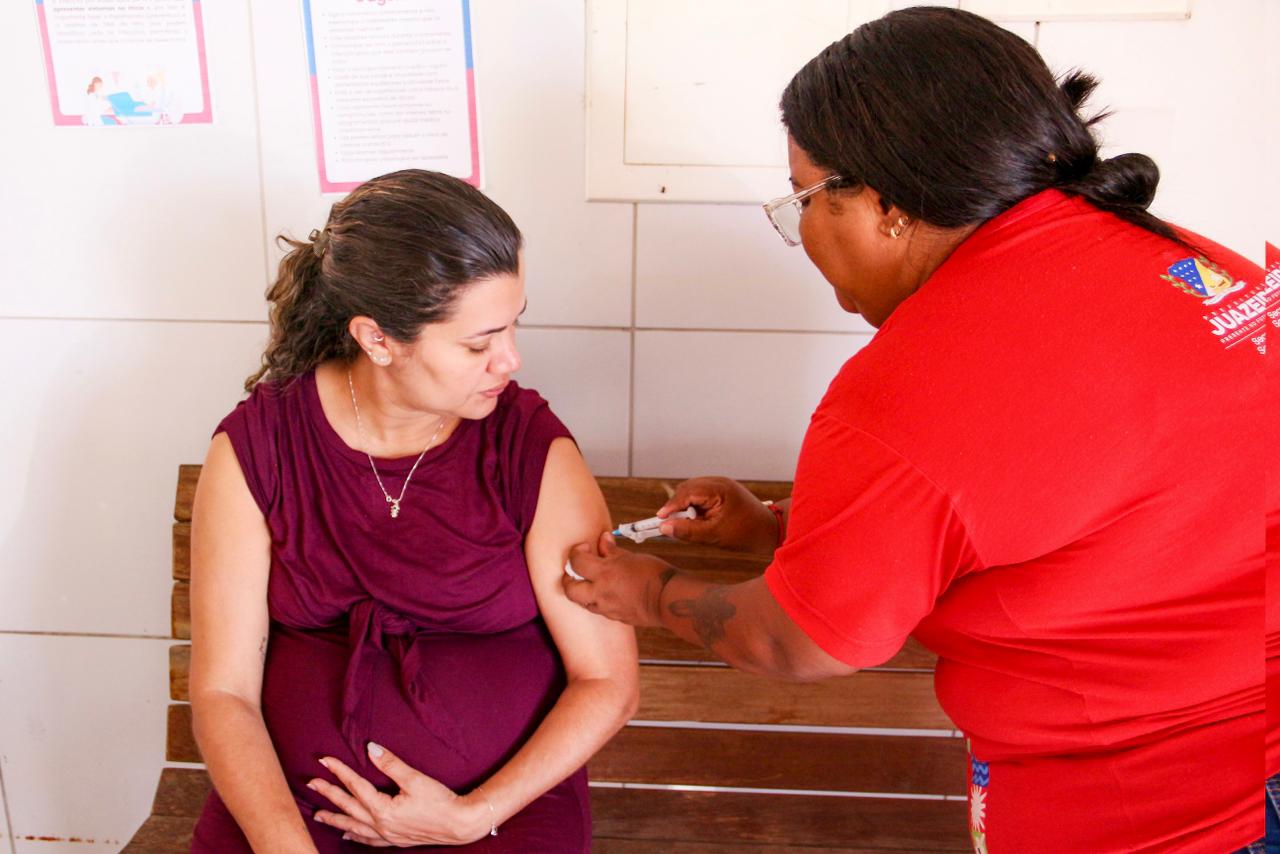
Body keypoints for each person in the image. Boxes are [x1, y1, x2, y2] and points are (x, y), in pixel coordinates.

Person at [564, 7, 1274, 853]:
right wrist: (778, 532)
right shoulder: (1200, 265)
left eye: (802, 200)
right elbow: (1079, 509)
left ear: (886, 202)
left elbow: (801, 642)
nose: (801, 237)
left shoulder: (914, 384)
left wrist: (649, 593)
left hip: (1155, 816)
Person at [188, 169, 639, 852]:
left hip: (502, 811)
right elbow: (224, 692)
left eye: (514, 325)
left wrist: (473, 815)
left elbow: (607, 681)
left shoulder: (529, 449)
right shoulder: (259, 447)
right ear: (377, 339)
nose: (511, 360)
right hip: (292, 807)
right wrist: (287, 846)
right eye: (478, 343)